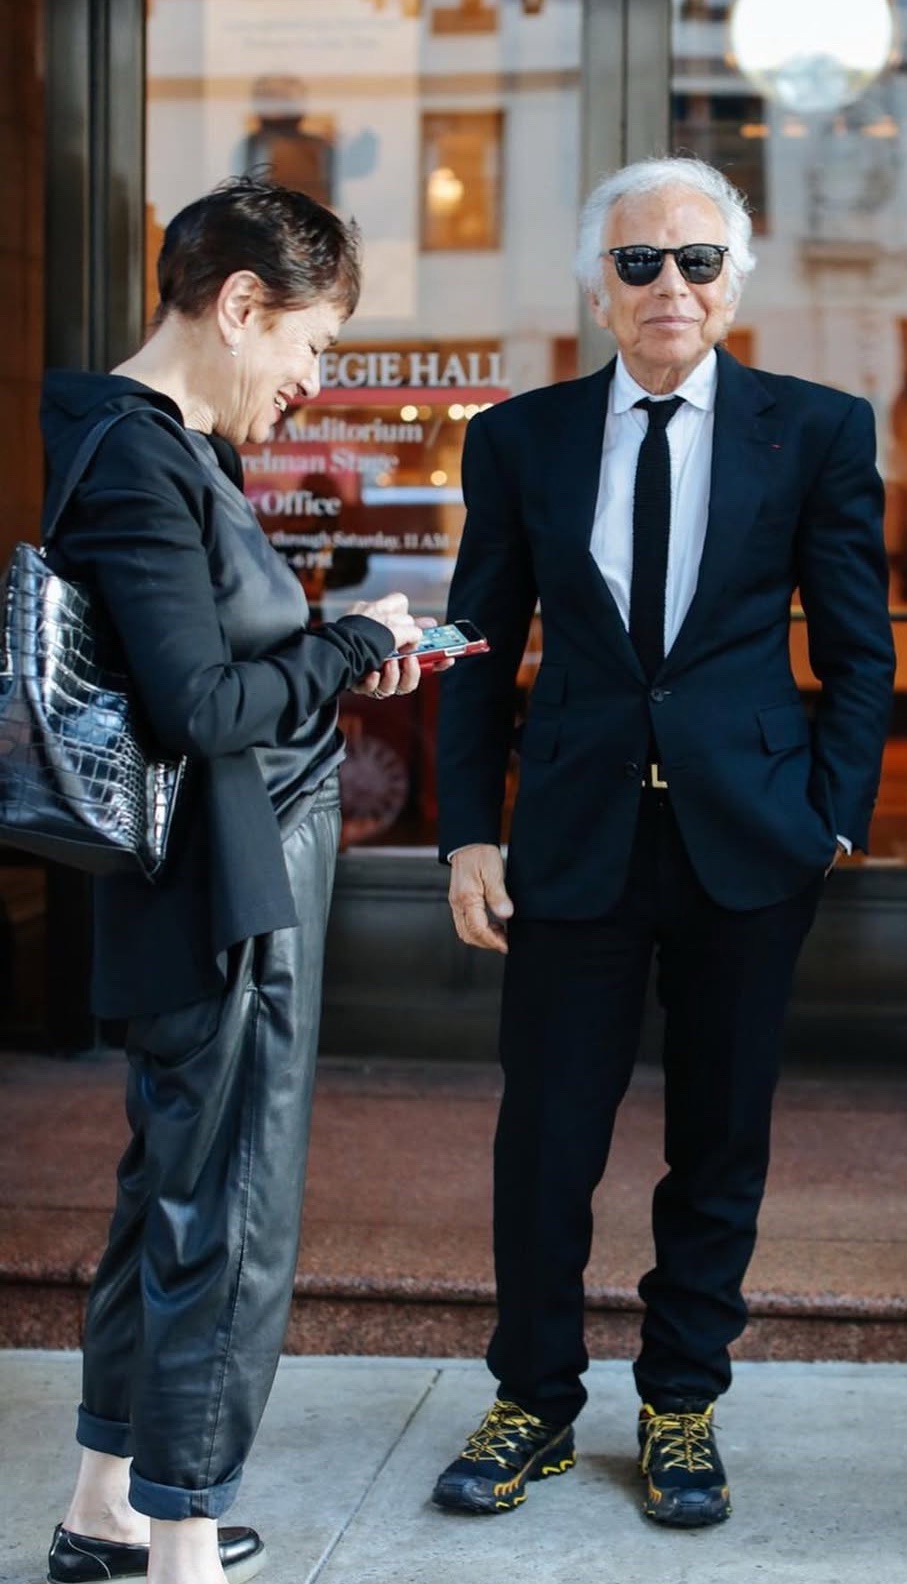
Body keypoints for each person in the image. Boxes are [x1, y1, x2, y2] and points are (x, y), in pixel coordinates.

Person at [432, 155, 895, 1528]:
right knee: (545, 1140)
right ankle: (532, 1402)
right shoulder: (519, 440)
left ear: (734, 283)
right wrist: (467, 835)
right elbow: (476, 651)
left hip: (748, 843)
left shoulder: (817, 431)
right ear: (600, 287)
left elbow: (860, 651)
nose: (669, 286)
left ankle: (682, 1403)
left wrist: (832, 817)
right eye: (639, 262)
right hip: (572, 841)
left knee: (720, 1136)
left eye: (697, 261)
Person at [38, 177, 439, 1584]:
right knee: (232, 1214)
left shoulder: (154, 447)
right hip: (226, 894)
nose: (313, 379)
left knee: (173, 1197)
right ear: (241, 304)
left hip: (212, 879)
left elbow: (209, 676)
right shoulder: (142, 462)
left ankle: (106, 1514)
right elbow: (201, 706)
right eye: (311, 343)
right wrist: (349, 645)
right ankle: (186, 1548)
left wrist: (330, 657)